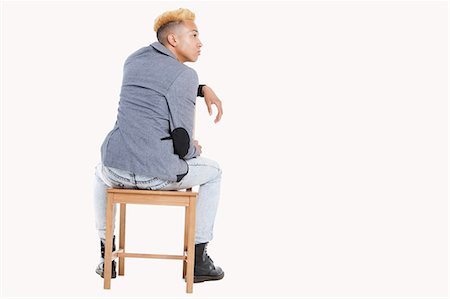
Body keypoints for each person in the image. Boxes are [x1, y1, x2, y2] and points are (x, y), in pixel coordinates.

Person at [93, 8, 224, 283]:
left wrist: (201, 89)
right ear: (173, 41)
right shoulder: (185, 76)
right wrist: (196, 150)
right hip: (155, 175)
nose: (200, 43)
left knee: (98, 170)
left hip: (114, 168)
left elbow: (159, 84)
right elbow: (183, 144)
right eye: (194, 34)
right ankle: (198, 260)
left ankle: (107, 254)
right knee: (214, 171)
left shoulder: (133, 61)